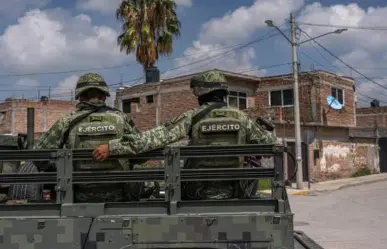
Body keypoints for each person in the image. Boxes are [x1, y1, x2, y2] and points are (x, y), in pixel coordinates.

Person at [93, 70, 278, 200]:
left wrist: (113, 146)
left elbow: (154, 138)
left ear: (199, 92)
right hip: (234, 191)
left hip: (197, 193)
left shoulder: (193, 117)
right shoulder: (243, 118)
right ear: (223, 92)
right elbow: (270, 146)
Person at [31, 72, 149, 202]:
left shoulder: (67, 122)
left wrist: (57, 168)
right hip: (120, 198)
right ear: (104, 96)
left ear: (80, 96)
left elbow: (38, 155)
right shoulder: (121, 119)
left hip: (79, 200)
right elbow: (142, 155)